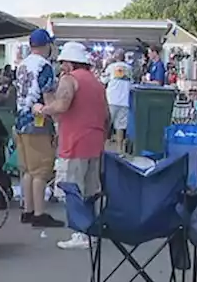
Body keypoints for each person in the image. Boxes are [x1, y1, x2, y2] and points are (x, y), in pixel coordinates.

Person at [33, 42, 108, 251]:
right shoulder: (96, 82)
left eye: (63, 63)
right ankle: (91, 230)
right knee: (91, 189)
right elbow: (107, 116)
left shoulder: (69, 79)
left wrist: (42, 109)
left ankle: (81, 233)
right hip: (95, 142)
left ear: (68, 63)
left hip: (75, 142)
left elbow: (62, 105)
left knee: (72, 189)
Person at [14, 29, 62, 228]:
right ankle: (39, 214)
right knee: (42, 170)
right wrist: (57, 122)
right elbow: (49, 97)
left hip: (21, 121)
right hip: (38, 122)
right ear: (46, 45)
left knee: (27, 170)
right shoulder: (45, 66)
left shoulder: (22, 65)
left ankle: (28, 209)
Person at [104, 49, 132, 152]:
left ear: (116, 57)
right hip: (125, 101)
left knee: (107, 124)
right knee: (120, 126)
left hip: (112, 100)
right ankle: (120, 150)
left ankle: (102, 148)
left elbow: (104, 80)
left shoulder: (111, 67)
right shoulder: (129, 68)